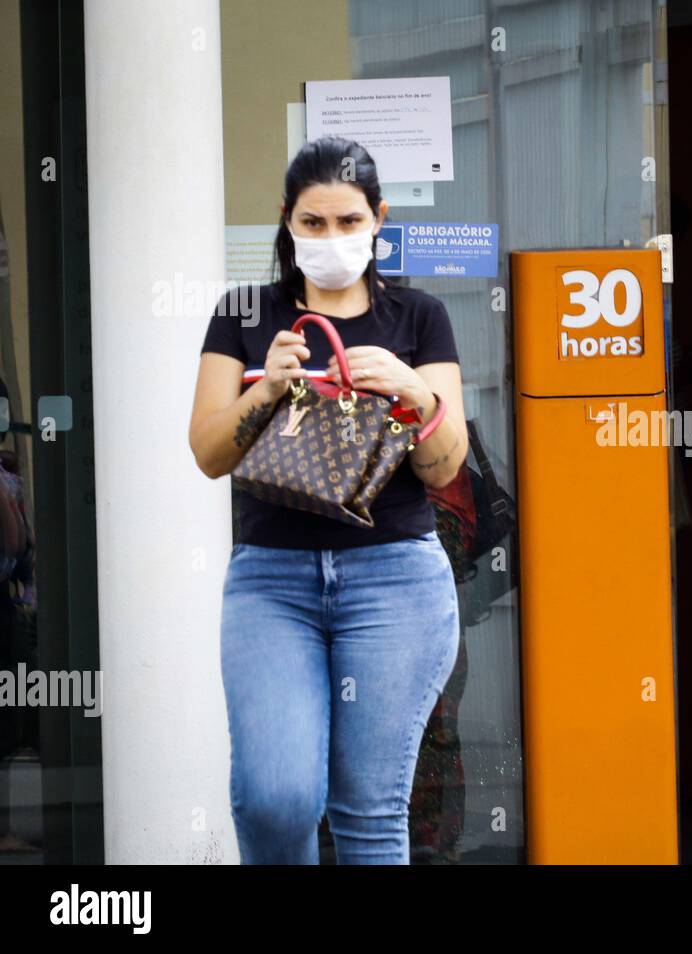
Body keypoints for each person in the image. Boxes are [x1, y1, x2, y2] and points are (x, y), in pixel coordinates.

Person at [188, 136, 468, 864]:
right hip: (271, 581)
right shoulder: (244, 314)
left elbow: (444, 470)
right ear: (287, 222)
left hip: (394, 579)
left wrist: (416, 390)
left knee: (369, 811)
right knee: (275, 799)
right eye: (313, 223)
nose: (332, 238)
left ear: (378, 218)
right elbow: (208, 453)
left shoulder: (419, 317)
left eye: (348, 222)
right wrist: (269, 388)